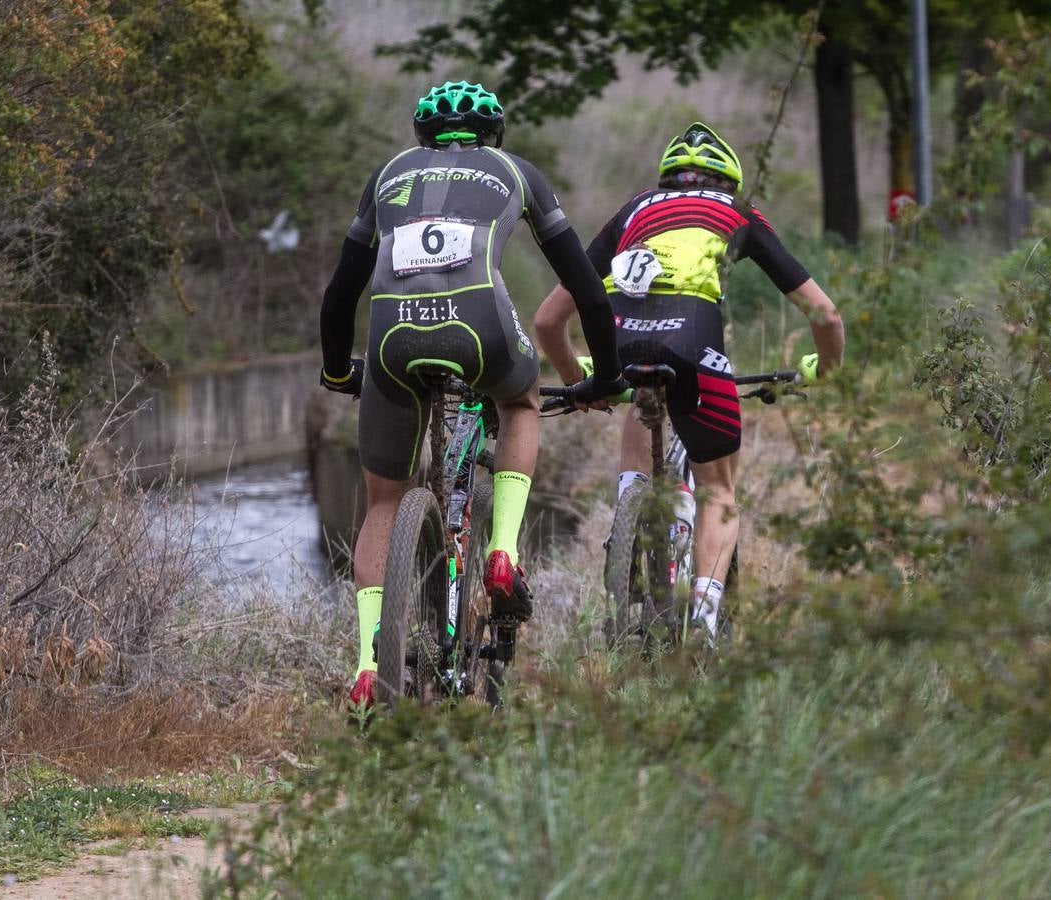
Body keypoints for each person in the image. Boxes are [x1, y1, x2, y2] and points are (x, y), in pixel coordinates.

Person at [319, 80, 625, 706]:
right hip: (479, 325)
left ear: (422, 137)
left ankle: (367, 668)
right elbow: (589, 291)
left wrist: (335, 371)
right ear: (494, 134)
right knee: (519, 401)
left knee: (384, 503)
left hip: (390, 336)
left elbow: (340, 292)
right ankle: (504, 553)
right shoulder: (516, 171)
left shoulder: (387, 175)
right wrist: (606, 375)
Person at [533, 122, 844, 641]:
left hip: (621, 342)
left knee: (638, 394)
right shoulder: (736, 212)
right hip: (695, 341)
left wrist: (582, 382)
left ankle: (629, 510)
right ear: (729, 181)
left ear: (664, 180)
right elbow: (826, 315)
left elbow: (548, 321)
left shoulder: (633, 210)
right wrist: (826, 370)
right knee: (719, 491)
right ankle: (702, 615)